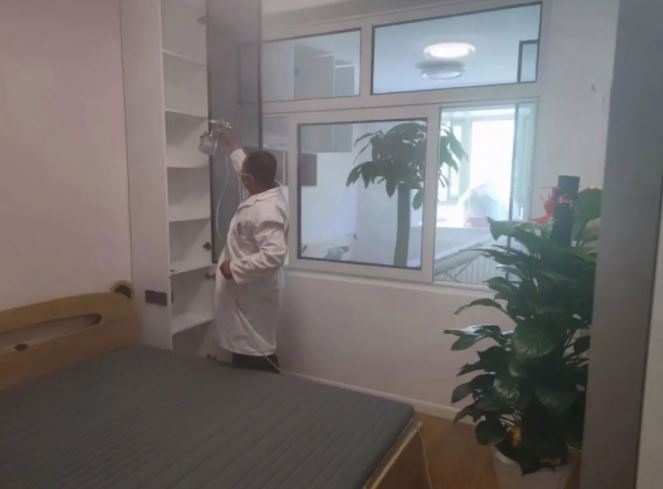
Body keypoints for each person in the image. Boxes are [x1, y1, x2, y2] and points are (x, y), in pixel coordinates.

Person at [211, 127, 288, 373]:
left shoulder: (267, 210)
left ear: (251, 180)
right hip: (244, 291)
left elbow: (273, 256)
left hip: (252, 291)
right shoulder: (263, 189)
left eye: (244, 176)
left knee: (256, 350)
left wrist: (233, 267)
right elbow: (244, 169)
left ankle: (269, 386)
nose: (241, 177)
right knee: (243, 347)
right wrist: (232, 144)